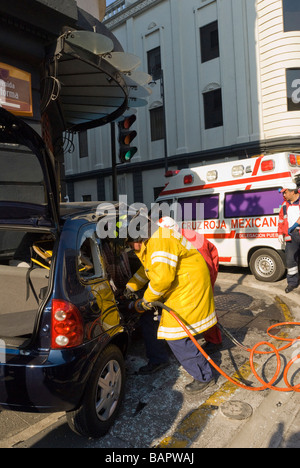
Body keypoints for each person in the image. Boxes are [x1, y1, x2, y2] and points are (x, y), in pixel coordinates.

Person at [125, 216, 217, 394]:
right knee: (150, 321)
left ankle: (204, 376)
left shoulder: (160, 241)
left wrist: (145, 301)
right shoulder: (152, 240)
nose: (130, 248)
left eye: (130, 244)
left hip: (188, 289)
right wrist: (131, 285)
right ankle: (159, 359)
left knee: (177, 337)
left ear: (138, 238)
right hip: (179, 286)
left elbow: (162, 280)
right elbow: (149, 269)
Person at [157, 217, 222, 348]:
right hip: (202, 274)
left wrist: (205, 285)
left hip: (203, 277)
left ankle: (214, 341)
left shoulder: (190, 241)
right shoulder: (183, 235)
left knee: (205, 309)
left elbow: (205, 265)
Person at [278, 182, 300, 293]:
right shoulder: (284, 204)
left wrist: (295, 225)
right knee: (290, 260)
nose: (284, 195)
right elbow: (281, 219)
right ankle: (292, 283)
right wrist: (279, 233)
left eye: (285, 192)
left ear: (292, 191)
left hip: (297, 231)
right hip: (291, 236)